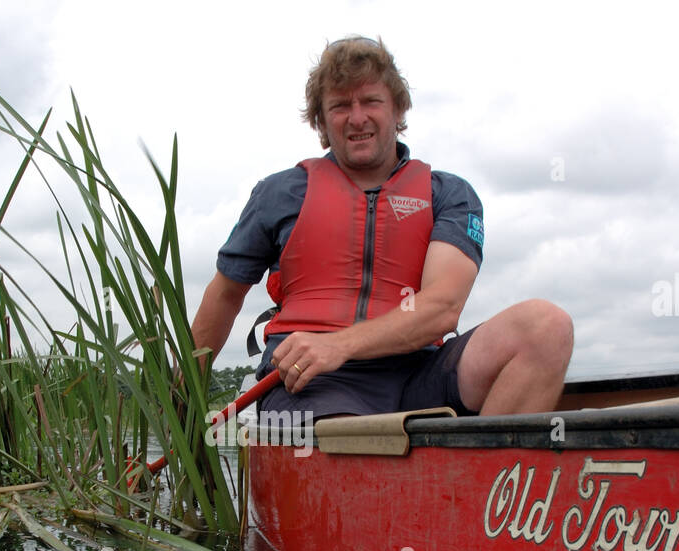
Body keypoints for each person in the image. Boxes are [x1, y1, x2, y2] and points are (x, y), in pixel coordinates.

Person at [189, 36, 573, 420]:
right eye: (340, 106)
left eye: (371, 101)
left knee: (546, 327)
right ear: (321, 120)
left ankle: (477, 473)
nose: (357, 118)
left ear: (398, 108)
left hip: (418, 374)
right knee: (354, 437)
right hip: (310, 384)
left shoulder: (448, 194)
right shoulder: (280, 193)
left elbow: (443, 306)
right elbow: (225, 295)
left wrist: (340, 345)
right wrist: (181, 400)